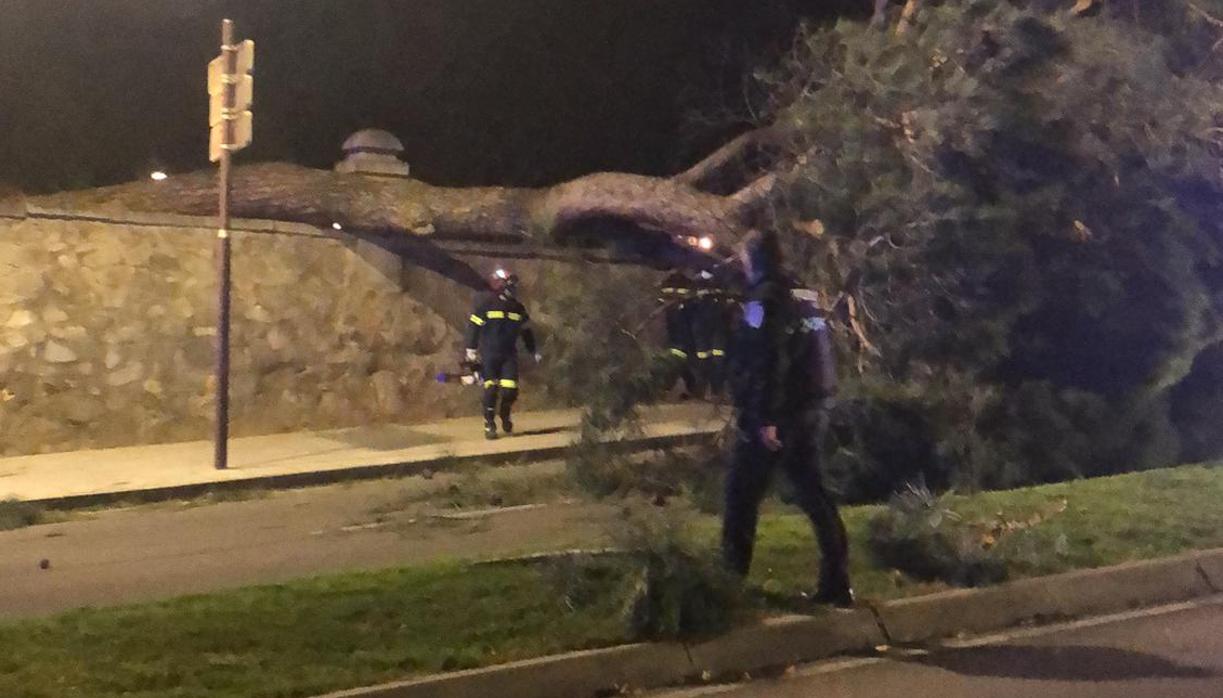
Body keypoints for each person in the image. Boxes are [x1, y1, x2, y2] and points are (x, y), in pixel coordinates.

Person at [723, 229, 853, 607]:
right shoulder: (803, 293)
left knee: (740, 497)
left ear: (754, 260)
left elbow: (768, 359)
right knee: (814, 493)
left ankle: (729, 584)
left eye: (745, 260)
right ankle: (837, 581)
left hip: (776, 415)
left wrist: (766, 418)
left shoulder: (763, 301)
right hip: (811, 408)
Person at [464, 269, 539, 440]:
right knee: (491, 389)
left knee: (510, 391)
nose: (514, 290)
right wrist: (471, 350)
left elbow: (526, 332)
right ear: (502, 286)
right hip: (490, 355)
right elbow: (474, 328)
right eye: (511, 286)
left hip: (508, 356)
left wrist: (533, 350)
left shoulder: (518, 309)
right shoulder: (486, 305)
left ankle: (505, 414)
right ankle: (489, 423)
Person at [658, 268, 702, 399]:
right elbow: (660, 301)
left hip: (685, 327)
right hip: (674, 327)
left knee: (681, 358)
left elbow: (694, 304)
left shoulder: (687, 283)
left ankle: (670, 387)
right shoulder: (668, 282)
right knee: (679, 358)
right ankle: (676, 388)